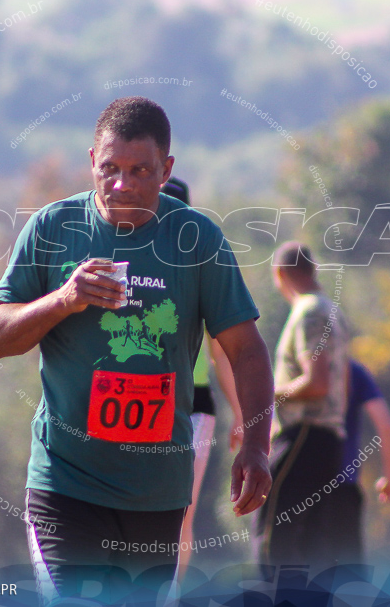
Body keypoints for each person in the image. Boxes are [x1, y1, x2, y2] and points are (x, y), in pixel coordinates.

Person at [0, 96, 274, 603]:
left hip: (157, 492)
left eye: (140, 170)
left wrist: (256, 446)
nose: (121, 183)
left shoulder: (196, 239)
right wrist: (63, 300)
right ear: (92, 161)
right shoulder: (54, 229)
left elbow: (246, 349)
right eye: (109, 168)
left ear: (167, 170)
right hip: (65, 484)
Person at [159, 177, 244, 582]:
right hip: (138, 402)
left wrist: (243, 413)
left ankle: (169, 595)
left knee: (183, 510)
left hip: (195, 408)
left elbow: (223, 351)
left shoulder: (200, 271)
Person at [256, 241, 349, 570]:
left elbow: (317, 383)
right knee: (310, 541)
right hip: (327, 438)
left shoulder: (308, 312)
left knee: (273, 535)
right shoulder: (330, 311)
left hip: (304, 434)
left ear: (279, 274)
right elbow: (341, 383)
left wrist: (268, 396)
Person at [332, 359, 390, 563]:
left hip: (302, 487)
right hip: (345, 489)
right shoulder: (352, 370)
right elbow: (386, 426)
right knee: (348, 573)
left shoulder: (294, 371)